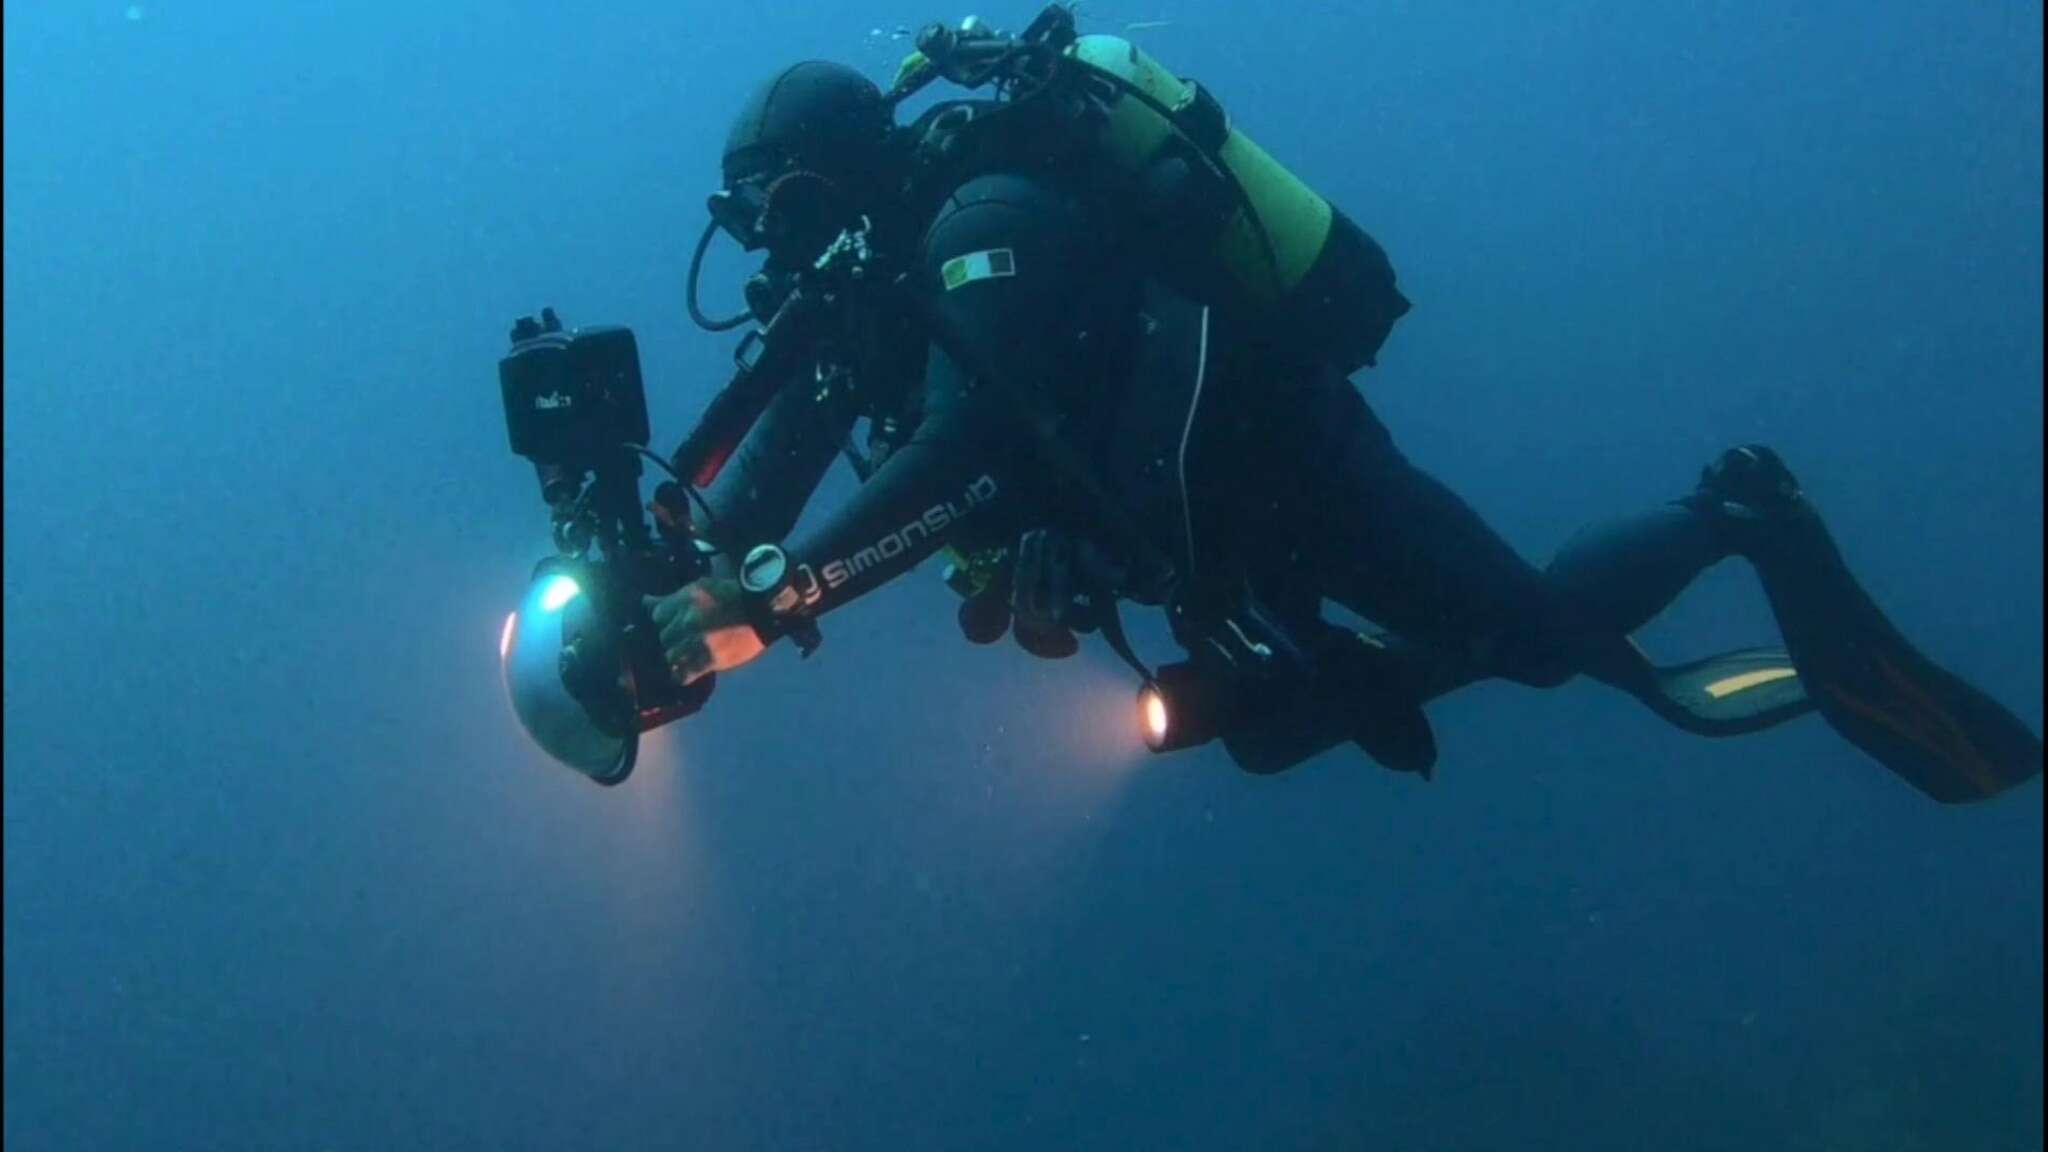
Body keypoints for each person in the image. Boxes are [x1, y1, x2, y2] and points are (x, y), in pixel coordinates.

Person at [644, 20, 2040, 802]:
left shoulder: (985, 220)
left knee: (1546, 644)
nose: (784, 251)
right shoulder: (875, 309)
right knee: (1256, 730)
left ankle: (1736, 514)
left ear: (855, 171)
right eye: (758, 225)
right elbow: (755, 498)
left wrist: (779, 596)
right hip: (1207, 534)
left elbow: (968, 447)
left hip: (1299, 464)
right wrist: (650, 583)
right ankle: (1378, 662)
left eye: (799, 207)